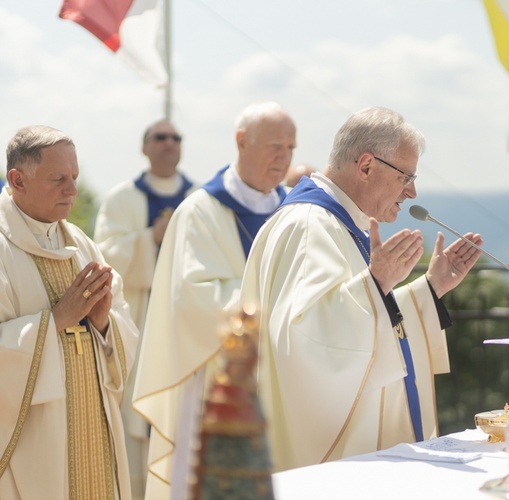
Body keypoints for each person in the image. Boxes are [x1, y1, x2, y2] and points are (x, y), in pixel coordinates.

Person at [239, 106, 483, 472]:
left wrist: (431, 289)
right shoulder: (309, 225)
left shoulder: (336, 222)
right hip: (328, 469)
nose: (412, 191)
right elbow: (301, 342)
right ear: (366, 166)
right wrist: (375, 284)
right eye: (406, 176)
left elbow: (361, 317)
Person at [132, 101, 296, 499]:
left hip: (285, 371)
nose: (284, 157)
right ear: (241, 141)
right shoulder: (200, 211)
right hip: (216, 381)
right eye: (275, 145)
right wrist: (281, 308)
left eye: (291, 148)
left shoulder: (293, 208)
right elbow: (192, 299)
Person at [0, 125, 138, 498]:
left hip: (91, 427)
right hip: (33, 446)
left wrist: (104, 323)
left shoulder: (82, 246)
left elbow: (123, 332)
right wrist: (56, 321)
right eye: (59, 178)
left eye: (74, 177)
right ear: (18, 179)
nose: (73, 191)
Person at [93, 118, 195, 499]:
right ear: (144, 147)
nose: (169, 143)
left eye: (176, 137)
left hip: (185, 326)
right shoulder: (121, 198)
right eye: (160, 137)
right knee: (135, 421)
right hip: (137, 318)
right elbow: (103, 256)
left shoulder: (199, 197)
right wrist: (149, 239)